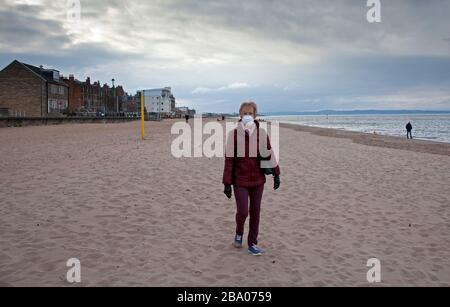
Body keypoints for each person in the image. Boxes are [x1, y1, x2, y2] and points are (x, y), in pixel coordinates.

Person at [223, 102, 281, 256]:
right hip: (239, 181)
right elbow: (229, 160)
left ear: (255, 115)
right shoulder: (233, 135)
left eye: (250, 113)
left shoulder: (262, 134)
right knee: (242, 212)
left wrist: (277, 174)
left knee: (255, 212)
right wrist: (227, 183)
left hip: (258, 180)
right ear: (240, 116)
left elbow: (269, 153)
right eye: (244, 113)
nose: (247, 116)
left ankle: (252, 243)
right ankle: (239, 232)